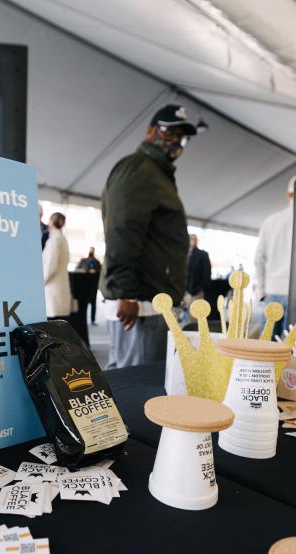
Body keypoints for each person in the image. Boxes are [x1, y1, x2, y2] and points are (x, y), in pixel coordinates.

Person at [100, 104, 196, 368]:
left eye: (182, 136)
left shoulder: (157, 175)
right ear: (151, 131)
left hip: (152, 304)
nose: (176, 140)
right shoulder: (139, 170)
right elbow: (121, 231)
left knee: (141, 385)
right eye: (170, 132)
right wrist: (127, 294)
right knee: (136, 388)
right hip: (139, 306)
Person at [254, 177, 295, 337]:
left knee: (266, 346)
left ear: (288, 194)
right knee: (289, 349)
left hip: (273, 289)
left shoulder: (270, 221)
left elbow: (259, 259)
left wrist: (262, 290)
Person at [42, 212, 72, 319]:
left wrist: (40, 283)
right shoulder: (62, 238)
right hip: (59, 288)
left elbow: (50, 266)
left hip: (53, 289)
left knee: (52, 326)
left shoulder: (54, 240)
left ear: (51, 222)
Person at [77, 247, 102, 324]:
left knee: (93, 303)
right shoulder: (83, 261)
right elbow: (78, 269)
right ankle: (83, 320)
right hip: (84, 285)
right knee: (84, 304)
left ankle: (93, 320)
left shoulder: (97, 262)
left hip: (93, 285)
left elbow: (101, 272)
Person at [187, 234, 211, 300]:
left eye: (193, 239)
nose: (191, 241)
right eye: (190, 239)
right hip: (183, 292)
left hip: (196, 292)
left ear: (197, 241)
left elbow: (207, 274)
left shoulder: (203, 255)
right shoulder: (183, 255)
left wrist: (202, 289)